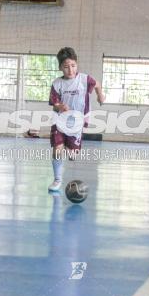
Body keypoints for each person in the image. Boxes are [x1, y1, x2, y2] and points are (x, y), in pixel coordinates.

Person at [48, 47, 105, 193]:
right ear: (60, 67)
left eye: (73, 66)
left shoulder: (85, 79)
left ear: (77, 64)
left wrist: (100, 95)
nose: (70, 70)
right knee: (57, 148)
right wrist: (60, 106)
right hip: (60, 121)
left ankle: (70, 147)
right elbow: (54, 105)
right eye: (66, 67)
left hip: (77, 122)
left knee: (72, 155)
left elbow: (97, 84)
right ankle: (57, 179)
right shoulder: (56, 84)